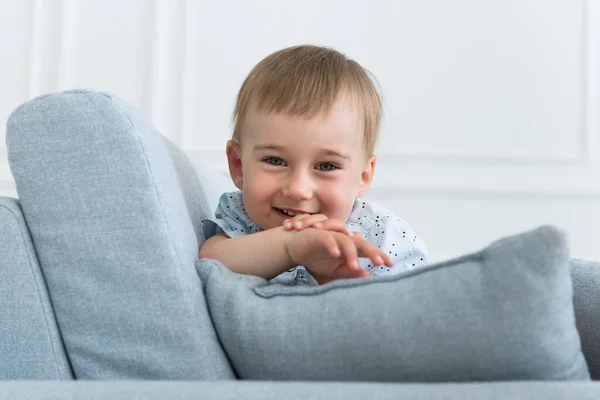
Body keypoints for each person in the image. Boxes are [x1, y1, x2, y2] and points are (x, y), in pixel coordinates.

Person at [199, 44, 428, 285]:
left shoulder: (382, 237)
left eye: (326, 166)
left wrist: (331, 280)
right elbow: (211, 261)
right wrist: (288, 247)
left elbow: (407, 314)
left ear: (362, 177)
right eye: (275, 161)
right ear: (238, 165)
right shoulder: (243, 218)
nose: (298, 189)